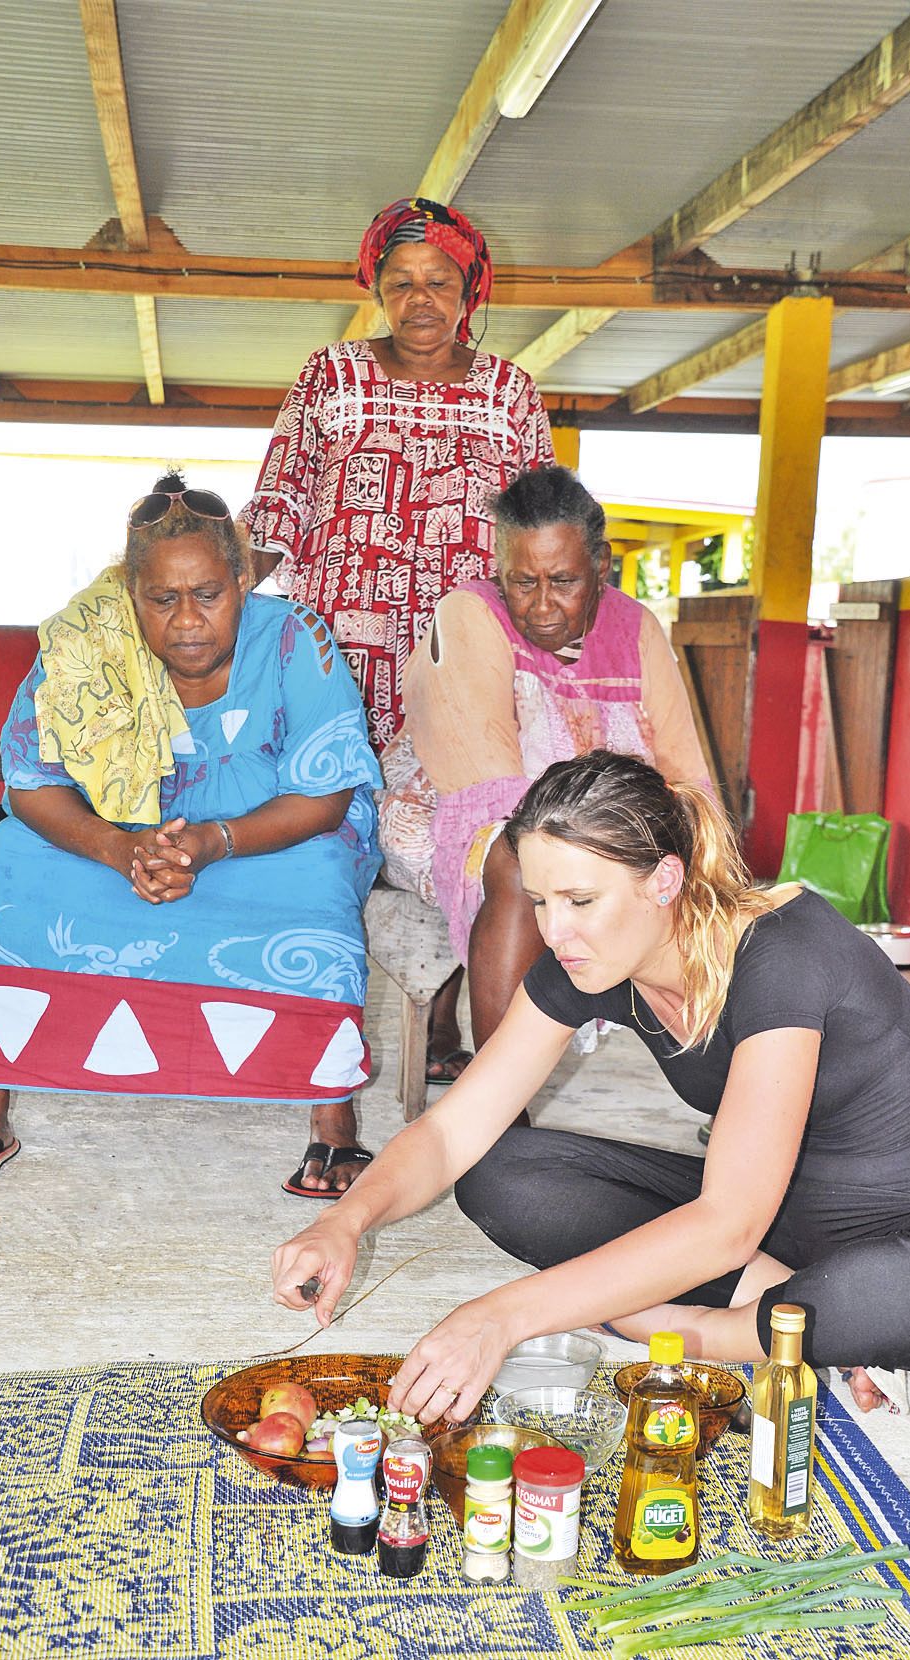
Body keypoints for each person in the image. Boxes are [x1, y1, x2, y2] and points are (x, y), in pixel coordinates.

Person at [271, 750, 910, 1423]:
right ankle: (800, 1320)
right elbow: (453, 1131)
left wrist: (499, 1316)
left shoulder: (784, 952)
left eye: (581, 901)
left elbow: (722, 1224)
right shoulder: (591, 960)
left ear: (664, 881)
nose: (554, 931)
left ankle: (720, 1333)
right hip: (767, 1239)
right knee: (504, 1171)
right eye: (541, 902)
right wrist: (347, 1220)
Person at [240, 196, 555, 1160]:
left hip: (459, 664)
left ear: (472, 291)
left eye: (441, 284)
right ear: (376, 288)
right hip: (339, 659)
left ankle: (464, 1046)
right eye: (401, 283)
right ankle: (323, 1080)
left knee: (470, 839)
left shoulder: (510, 391)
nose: (420, 302)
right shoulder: (331, 376)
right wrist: (210, 610)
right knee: (331, 843)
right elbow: (281, 500)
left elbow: (541, 520)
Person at [0, 474, 381, 1194]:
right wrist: (118, 850)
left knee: (318, 875)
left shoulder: (295, 637)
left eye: (209, 594)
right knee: (9, 859)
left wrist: (210, 842)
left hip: (263, 835)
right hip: (120, 840)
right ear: (128, 592)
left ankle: (334, 1126)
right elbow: (29, 782)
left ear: (242, 579)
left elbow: (323, 796)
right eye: (162, 600)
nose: (188, 620)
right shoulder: (83, 644)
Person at [378, 465, 711, 1052]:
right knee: (519, 860)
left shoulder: (638, 628)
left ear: (601, 566)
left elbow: (685, 772)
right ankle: (502, 1113)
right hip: (455, 815)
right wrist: (588, 850)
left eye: (563, 581)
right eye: (521, 581)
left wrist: (687, 850)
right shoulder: (469, 612)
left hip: (602, 826)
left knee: (703, 879)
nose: (540, 606)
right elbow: (487, 785)